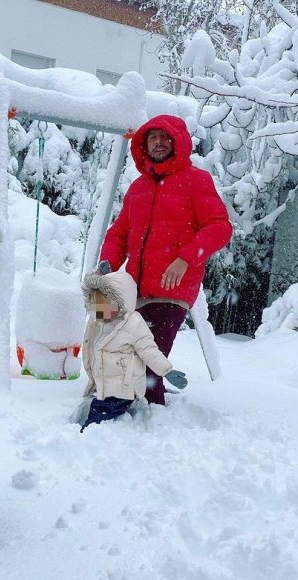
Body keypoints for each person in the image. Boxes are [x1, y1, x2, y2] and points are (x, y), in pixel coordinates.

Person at [97, 114, 232, 405]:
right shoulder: (138, 188)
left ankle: (147, 416)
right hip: (135, 289)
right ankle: (121, 401)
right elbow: (119, 233)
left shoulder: (196, 181)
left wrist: (185, 259)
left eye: (164, 136)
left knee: (148, 357)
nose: (158, 142)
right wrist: (108, 262)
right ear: (145, 144)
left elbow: (220, 227)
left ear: (177, 142)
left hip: (172, 289)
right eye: (152, 137)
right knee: (114, 343)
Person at [79, 270, 187, 431]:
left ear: (121, 303)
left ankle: (89, 435)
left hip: (123, 387)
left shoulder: (134, 324)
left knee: (101, 414)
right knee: (99, 406)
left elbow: (149, 350)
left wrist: (167, 371)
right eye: (96, 306)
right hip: (105, 383)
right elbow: (89, 348)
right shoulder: (97, 323)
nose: (99, 312)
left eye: (105, 306)